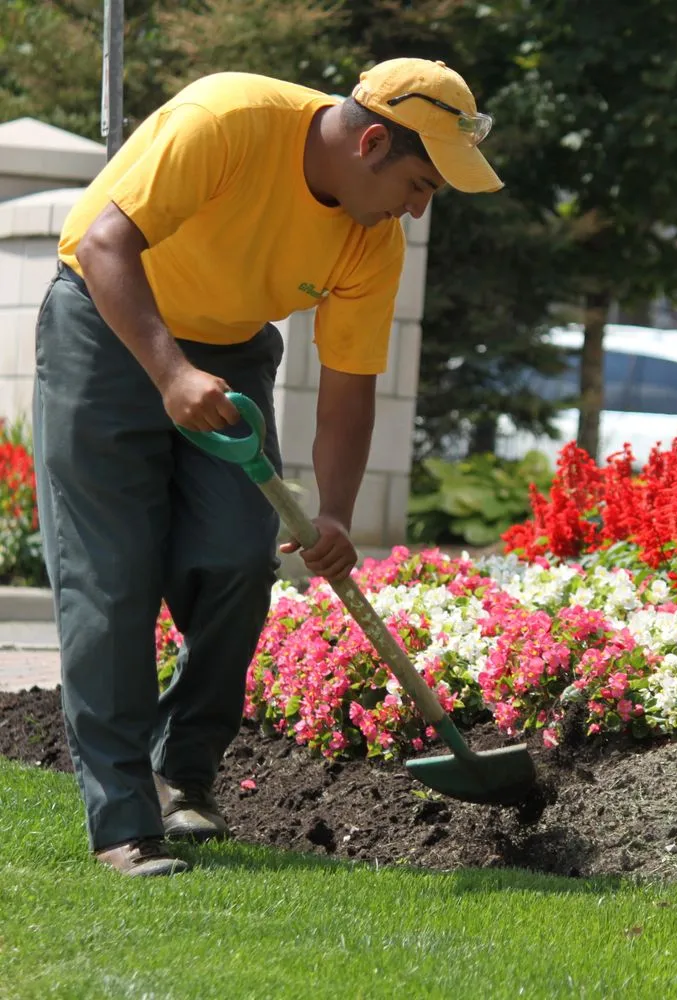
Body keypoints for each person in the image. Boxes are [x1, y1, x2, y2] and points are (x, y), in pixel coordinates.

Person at [33, 57, 502, 876]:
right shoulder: (227, 118)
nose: (419, 209)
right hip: (110, 326)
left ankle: (181, 772)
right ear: (374, 143)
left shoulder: (372, 237)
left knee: (239, 558)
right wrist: (170, 372)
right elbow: (107, 242)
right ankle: (123, 823)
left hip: (233, 350)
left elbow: (350, 389)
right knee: (111, 581)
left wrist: (334, 515)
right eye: (421, 183)